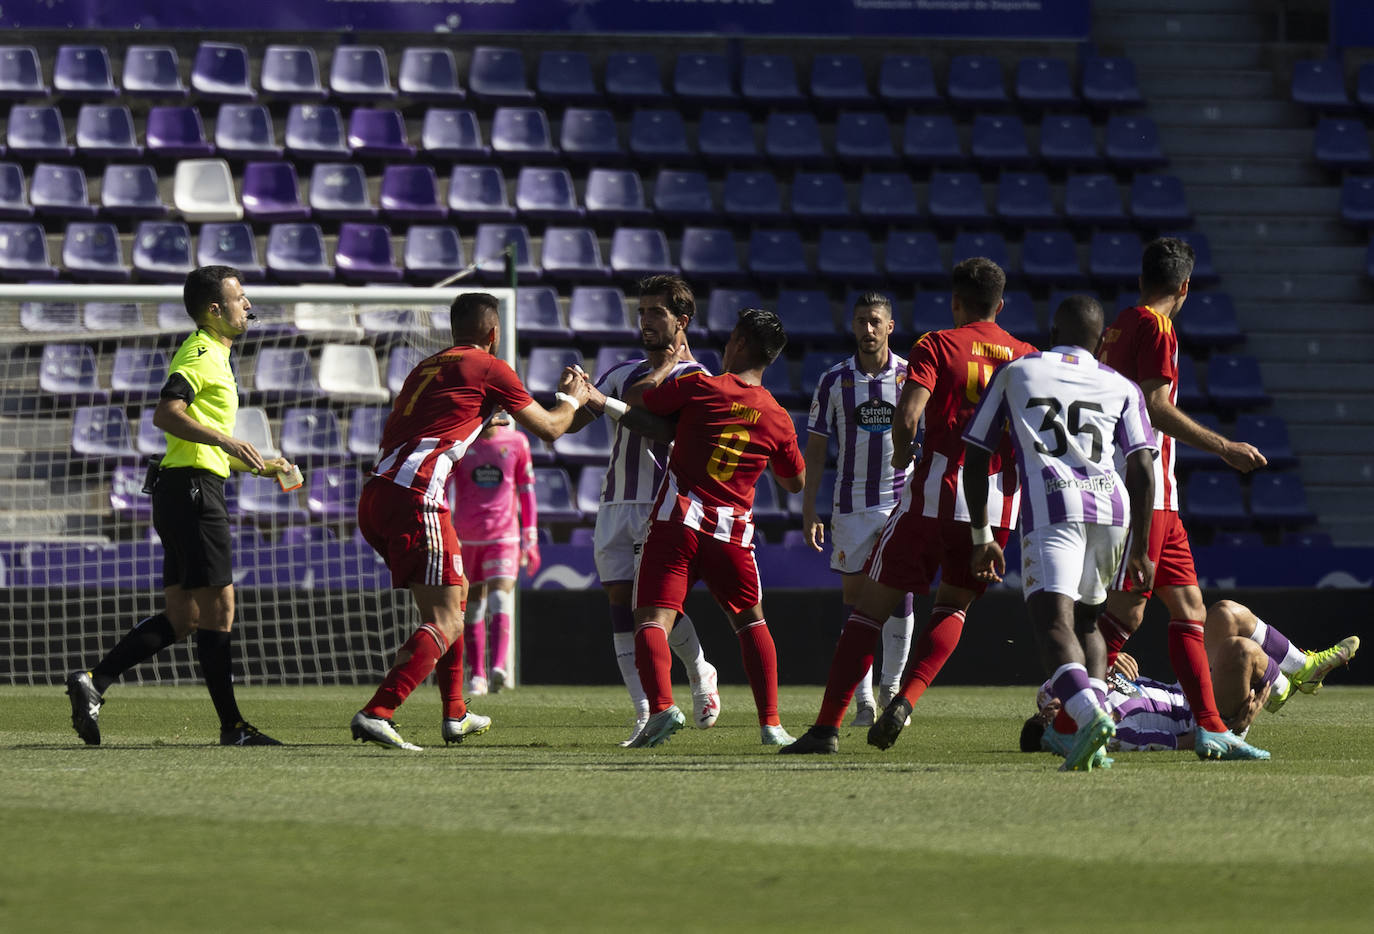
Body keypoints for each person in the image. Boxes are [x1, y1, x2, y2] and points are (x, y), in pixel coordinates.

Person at [784, 258, 1035, 755]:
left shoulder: (938, 344)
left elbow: (910, 412)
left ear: (956, 302)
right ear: (1001, 306)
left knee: (867, 611)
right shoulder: (1027, 357)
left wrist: (902, 451)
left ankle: (826, 729)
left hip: (932, 499)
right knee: (953, 606)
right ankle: (906, 699)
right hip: (996, 510)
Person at [65, 266, 294, 746]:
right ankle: (233, 728)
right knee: (219, 610)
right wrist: (228, 441)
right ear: (215, 310)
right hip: (192, 492)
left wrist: (259, 466)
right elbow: (167, 413)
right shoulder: (202, 351)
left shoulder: (215, 355)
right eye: (239, 298)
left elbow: (201, 444)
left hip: (181, 488)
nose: (247, 306)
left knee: (185, 617)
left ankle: (94, 682)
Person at [350, 292, 590, 751]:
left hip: (379, 492)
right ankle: (379, 711)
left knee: (453, 603)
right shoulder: (489, 367)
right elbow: (552, 428)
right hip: (416, 494)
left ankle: (455, 713)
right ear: (494, 334)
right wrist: (573, 399)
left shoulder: (427, 367)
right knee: (446, 617)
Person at [583, 307, 805, 748]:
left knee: (649, 618)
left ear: (739, 343)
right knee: (751, 624)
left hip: (678, 520)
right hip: (732, 533)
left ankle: (662, 709)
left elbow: (644, 398)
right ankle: (772, 725)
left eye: (730, 339)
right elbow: (794, 480)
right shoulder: (778, 417)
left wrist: (666, 366)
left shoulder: (702, 386)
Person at [962, 295, 1160, 770]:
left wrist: (980, 534)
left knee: (1053, 622)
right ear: (1099, 342)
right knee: (1089, 623)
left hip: (1054, 508)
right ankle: (1086, 737)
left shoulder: (1017, 371)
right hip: (1114, 513)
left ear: (1053, 334)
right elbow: (1144, 470)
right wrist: (1140, 547)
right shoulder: (1121, 385)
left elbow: (975, 453)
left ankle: (1089, 718)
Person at [1094, 236, 1271, 761]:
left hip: (1149, 489)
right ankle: (1066, 709)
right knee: (1126, 614)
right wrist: (1224, 448)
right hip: (1145, 490)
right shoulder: (1158, 326)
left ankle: (1213, 728)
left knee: (1189, 608)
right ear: (1185, 288)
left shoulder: (1120, 323)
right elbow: (1153, 404)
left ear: (1142, 277)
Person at [564, 275, 721, 746]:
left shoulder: (697, 378)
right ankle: (642, 713)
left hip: (662, 505)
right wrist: (567, 395)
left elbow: (663, 429)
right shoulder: (620, 371)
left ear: (682, 321)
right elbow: (573, 423)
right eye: (643, 312)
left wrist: (601, 401)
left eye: (657, 312)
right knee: (619, 606)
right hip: (614, 503)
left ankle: (696, 672)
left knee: (649, 608)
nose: (647, 321)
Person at [1022, 600, 1360, 755]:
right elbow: (1177, 743)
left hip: (1186, 690)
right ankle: (1282, 686)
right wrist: (1231, 731)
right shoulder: (1112, 734)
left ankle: (1301, 670)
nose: (1052, 706)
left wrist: (1109, 657)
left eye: (1046, 709)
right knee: (1237, 650)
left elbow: (1074, 658)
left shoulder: (1058, 690)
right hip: (1201, 719)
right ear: (1063, 732)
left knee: (1225, 613)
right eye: (1051, 716)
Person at [801, 292, 914, 726]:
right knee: (856, 599)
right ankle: (864, 700)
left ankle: (892, 683)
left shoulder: (910, 377)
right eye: (861, 321)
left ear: (890, 327)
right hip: (850, 507)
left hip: (900, 504)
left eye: (875, 321)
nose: (868, 329)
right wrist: (810, 509)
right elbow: (815, 447)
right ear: (853, 326)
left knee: (900, 592)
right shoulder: (833, 381)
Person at [447, 409, 539, 697]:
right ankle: (478, 675)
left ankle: (499, 667)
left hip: (505, 535)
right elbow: (445, 487)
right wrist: (448, 530)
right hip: (467, 537)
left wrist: (530, 538)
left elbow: (527, 491)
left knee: (500, 596)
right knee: (473, 606)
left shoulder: (517, 442)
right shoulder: (461, 445)